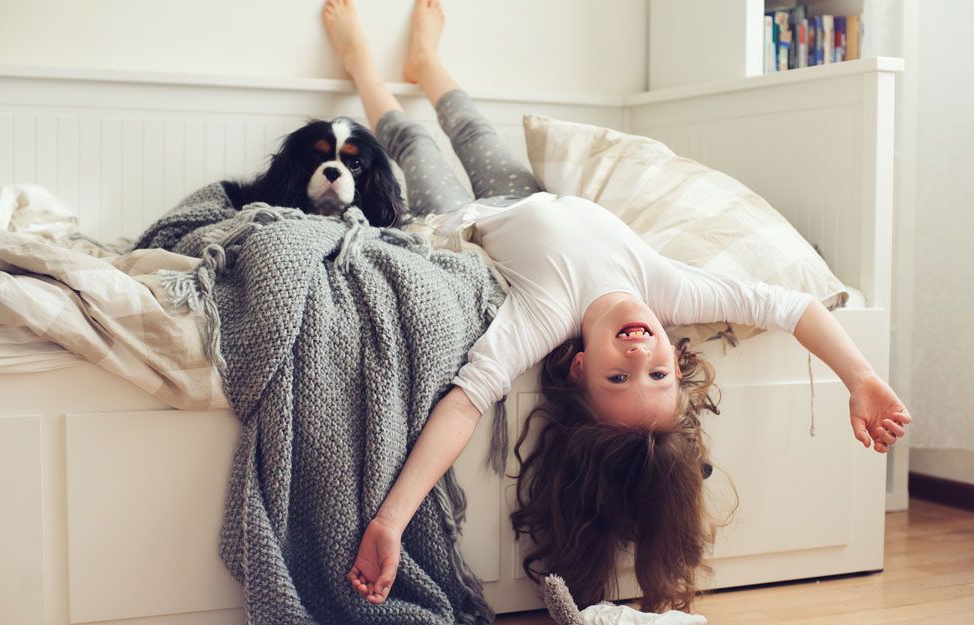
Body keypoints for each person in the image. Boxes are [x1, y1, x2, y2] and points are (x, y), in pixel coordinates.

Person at [322, 0, 912, 612]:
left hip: (469, 220)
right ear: (678, 365)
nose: (638, 351)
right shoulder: (669, 290)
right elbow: (792, 307)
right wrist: (861, 376)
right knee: (473, 130)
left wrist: (390, 521)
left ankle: (365, 69)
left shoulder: (547, 315)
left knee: (415, 144)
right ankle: (428, 65)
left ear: (578, 369)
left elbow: (467, 403)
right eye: (656, 373)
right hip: (531, 196)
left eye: (618, 375)